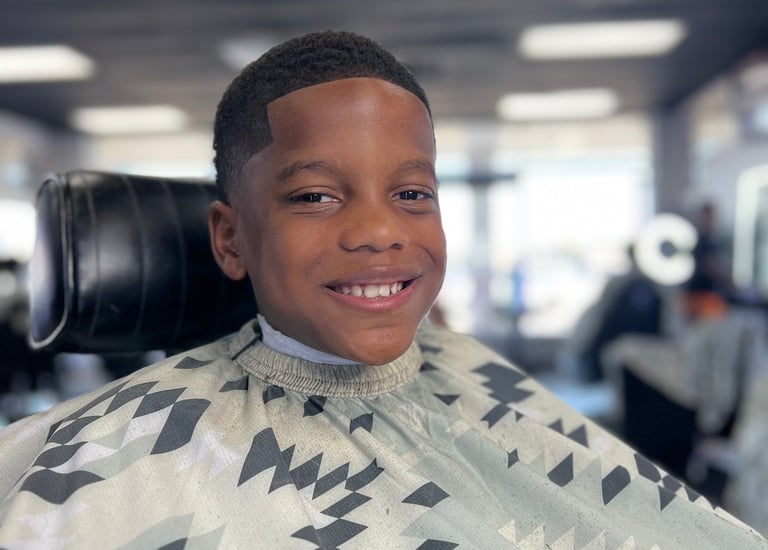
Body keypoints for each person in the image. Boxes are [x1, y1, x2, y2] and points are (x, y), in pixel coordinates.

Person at [0, 31, 765, 549]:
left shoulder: (484, 384)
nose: (379, 231)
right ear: (229, 238)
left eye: (412, 194)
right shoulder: (83, 468)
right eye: (314, 196)